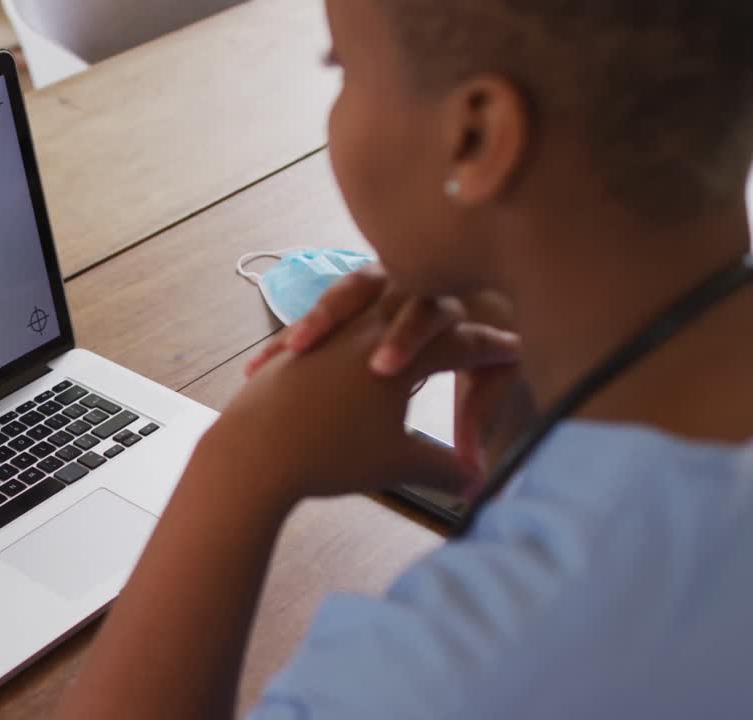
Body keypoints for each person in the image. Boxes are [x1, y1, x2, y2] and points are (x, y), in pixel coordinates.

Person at [55, 0, 753, 718]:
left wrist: (240, 464)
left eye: (344, 69)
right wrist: (524, 428)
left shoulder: (462, 668)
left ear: (476, 136)